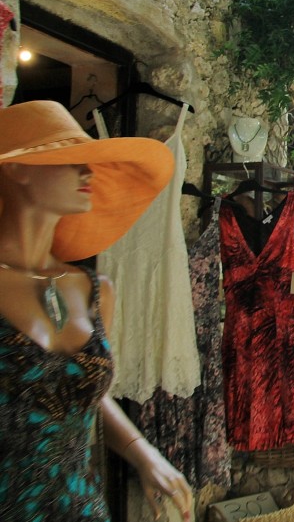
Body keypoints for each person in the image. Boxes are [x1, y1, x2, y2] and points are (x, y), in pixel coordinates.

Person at [0, 100, 194, 521]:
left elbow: (79, 387)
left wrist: (142, 452)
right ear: (16, 169)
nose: (88, 172)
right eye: (70, 161)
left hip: (80, 506)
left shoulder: (93, 290)